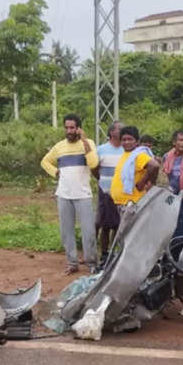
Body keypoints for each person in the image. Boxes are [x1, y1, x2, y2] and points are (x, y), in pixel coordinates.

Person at [41, 114, 99, 275]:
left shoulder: (89, 144)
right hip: (63, 195)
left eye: (72, 127)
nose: (69, 130)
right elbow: (44, 161)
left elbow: (93, 163)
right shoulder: (59, 147)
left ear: (78, 128)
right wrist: (55, 171)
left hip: (83, 195)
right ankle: (72, 262)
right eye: (66, 127)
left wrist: (85, 140)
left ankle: (92, 263)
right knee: (67, 231)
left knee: (88, 232)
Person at [93, 120, 124, 263]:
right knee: (105, 224)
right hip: (105, 192)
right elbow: (94, 168)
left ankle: (114, 252)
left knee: (118, 225)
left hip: (122, 193)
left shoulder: (127, 150)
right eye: (119, 129)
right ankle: (104, 254)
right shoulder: (101, 149)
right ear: (111, 132)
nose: (122, 131)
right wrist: (102, 180)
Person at [110, 126, 160, 209]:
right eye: (124, 140)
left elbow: (154, 166)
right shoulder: (127, 155)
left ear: (137, 141)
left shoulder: (138, 155)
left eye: (130, 139)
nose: (126, 142)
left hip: (133, 204)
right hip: (122, 203)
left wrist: (143, 182)